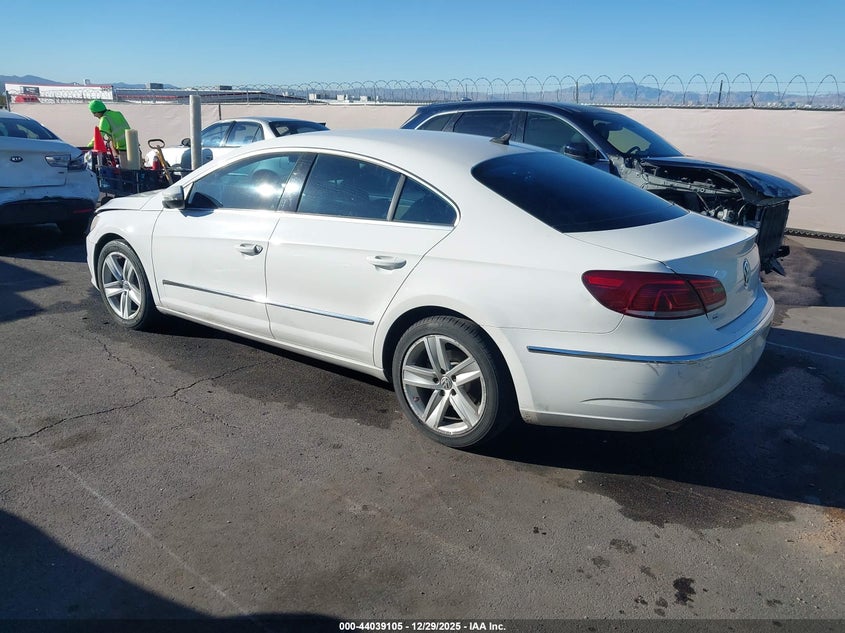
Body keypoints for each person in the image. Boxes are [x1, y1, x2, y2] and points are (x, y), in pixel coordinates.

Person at [87, 100, 131, 164]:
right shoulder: (118, 114)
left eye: (94, 113)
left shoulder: (104, 119)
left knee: (126, 171)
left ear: (97, 112)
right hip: (133, 145)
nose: (94, 116)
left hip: (123, 150)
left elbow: (99, 136)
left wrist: (88, 147)